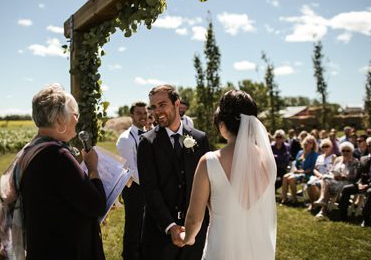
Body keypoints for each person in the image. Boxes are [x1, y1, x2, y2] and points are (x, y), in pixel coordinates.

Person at [0, 83, 106, 259]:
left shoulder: (32, 150)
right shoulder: (57, 156)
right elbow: (96, 205)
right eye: (74, 114)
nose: (76, 119)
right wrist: (92, 168)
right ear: (59, 119)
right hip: (65, 251)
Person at [180, 90, 277, 259]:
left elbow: (194, 219)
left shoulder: (209, 162)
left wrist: (186, 238)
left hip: (221, 251)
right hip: (260, 249)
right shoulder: (269, 161)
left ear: (222, 125)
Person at [136, 84, 211, 260]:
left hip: (195, 234)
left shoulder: (200, 139)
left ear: (177, 104)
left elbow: (209, 183)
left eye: (162, 105)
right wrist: (171, 226)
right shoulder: (146, 143)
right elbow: (150, 189)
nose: (157, 111)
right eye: (153, 107)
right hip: (160, 234)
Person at [115, 101, 147, 260]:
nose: (143, 116)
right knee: (134, 226)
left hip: (147, 186)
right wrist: (152, 185)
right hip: (134, 188)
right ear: (131, 116)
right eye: (139, 113)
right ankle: (129, 256)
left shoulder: (150, 133)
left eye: (145, 112)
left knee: (145, 226)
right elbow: (132, 170)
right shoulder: (125, 139)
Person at [338, 136, 371, 227]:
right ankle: (343, 216)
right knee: (346, 188)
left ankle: (366, 219)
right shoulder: (363, 159)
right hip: (362, 185)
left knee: (370, 192)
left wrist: (368, 186)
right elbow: (358, 176)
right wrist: (359, 183)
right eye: (369, 145)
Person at [314, 142, 358, 220]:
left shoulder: (355, 161)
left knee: (327, 183)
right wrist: (335, 175)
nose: (345, 152)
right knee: (326, 179)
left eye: (348, 151)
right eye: (343, 151)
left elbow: (355, 176)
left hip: (347, 183)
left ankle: (322, 206)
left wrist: (344, 177)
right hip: (335, 180)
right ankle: (322, 202)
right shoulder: (338, 159)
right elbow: (331, 170)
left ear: (351, 151)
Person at [280, 135, 318, 204]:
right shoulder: (300, 152)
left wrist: (300, 172)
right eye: (307, 141)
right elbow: (295, 164)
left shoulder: (314, 155)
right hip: (297, 173)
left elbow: (312, 168)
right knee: (285, 177)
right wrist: (295, 170)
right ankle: (284, 198)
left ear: (313, 145)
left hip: (308, 174)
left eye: (310, 142)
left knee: (291, 178)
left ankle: (294, 199)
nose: (307, 143)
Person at [305, 140, 335, 210]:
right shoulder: (319, 157)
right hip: (318, 176)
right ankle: (313, 203)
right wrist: (319, 175)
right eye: (323, 146)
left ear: (331, 147)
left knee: (318, 183)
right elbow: (315, 169)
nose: (325, 148)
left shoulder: (333, 157)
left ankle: (319, 203)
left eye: (327, 146)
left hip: (328, 177)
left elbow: (334, 169)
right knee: (310, 184)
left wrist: (324, 176)